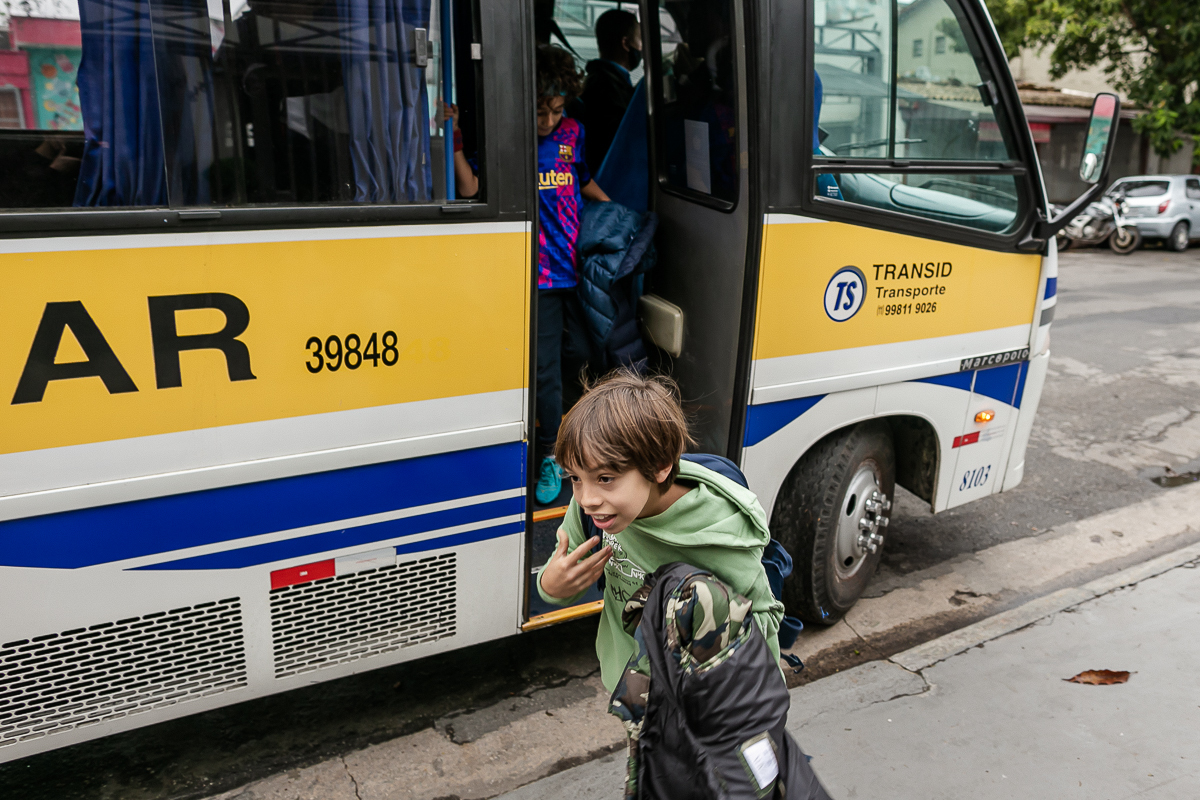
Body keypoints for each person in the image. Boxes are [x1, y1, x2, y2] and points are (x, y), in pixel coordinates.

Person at [536, 368, 785, 694]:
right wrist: (552, 584)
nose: (586, 499)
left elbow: (763, 626)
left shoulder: (719, 532)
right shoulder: (599, 510)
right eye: (575, 478)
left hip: (702, 707)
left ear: (660, 467)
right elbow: (562, 572)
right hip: (633, 692)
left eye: (606, 479)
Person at [533, 44, 611, 504]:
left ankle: (574, 437)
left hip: (573, 268)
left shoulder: (573, 133)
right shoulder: (516, 139)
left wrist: (616, 211)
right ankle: (550, 456)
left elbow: (581, 180)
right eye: (540, 112)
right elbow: (475, 188)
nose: (547, 122)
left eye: (555, 111)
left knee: (581, 354)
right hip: (540, 277)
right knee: (544, 372)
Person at [579, 9, 641, 175]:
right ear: (626, 44)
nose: (641, 48)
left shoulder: (601, 80)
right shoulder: (607, 88)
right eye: (640, 39)